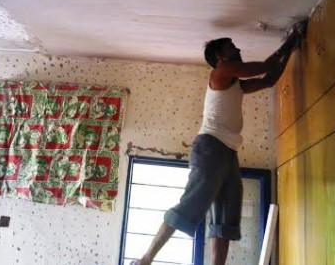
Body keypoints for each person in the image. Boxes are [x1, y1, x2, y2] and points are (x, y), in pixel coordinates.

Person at [130, 20, 307, 265]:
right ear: (220, 57)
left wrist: (290, 49)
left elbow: (269, 80)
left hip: (227, 153)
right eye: (232, 47)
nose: (238, 49)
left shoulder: (236, 85)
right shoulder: (221, 72)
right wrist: (290, 40)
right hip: (210, 148)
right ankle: (145, 260)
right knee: (189, 206)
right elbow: (265, 66)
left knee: (225, 221)